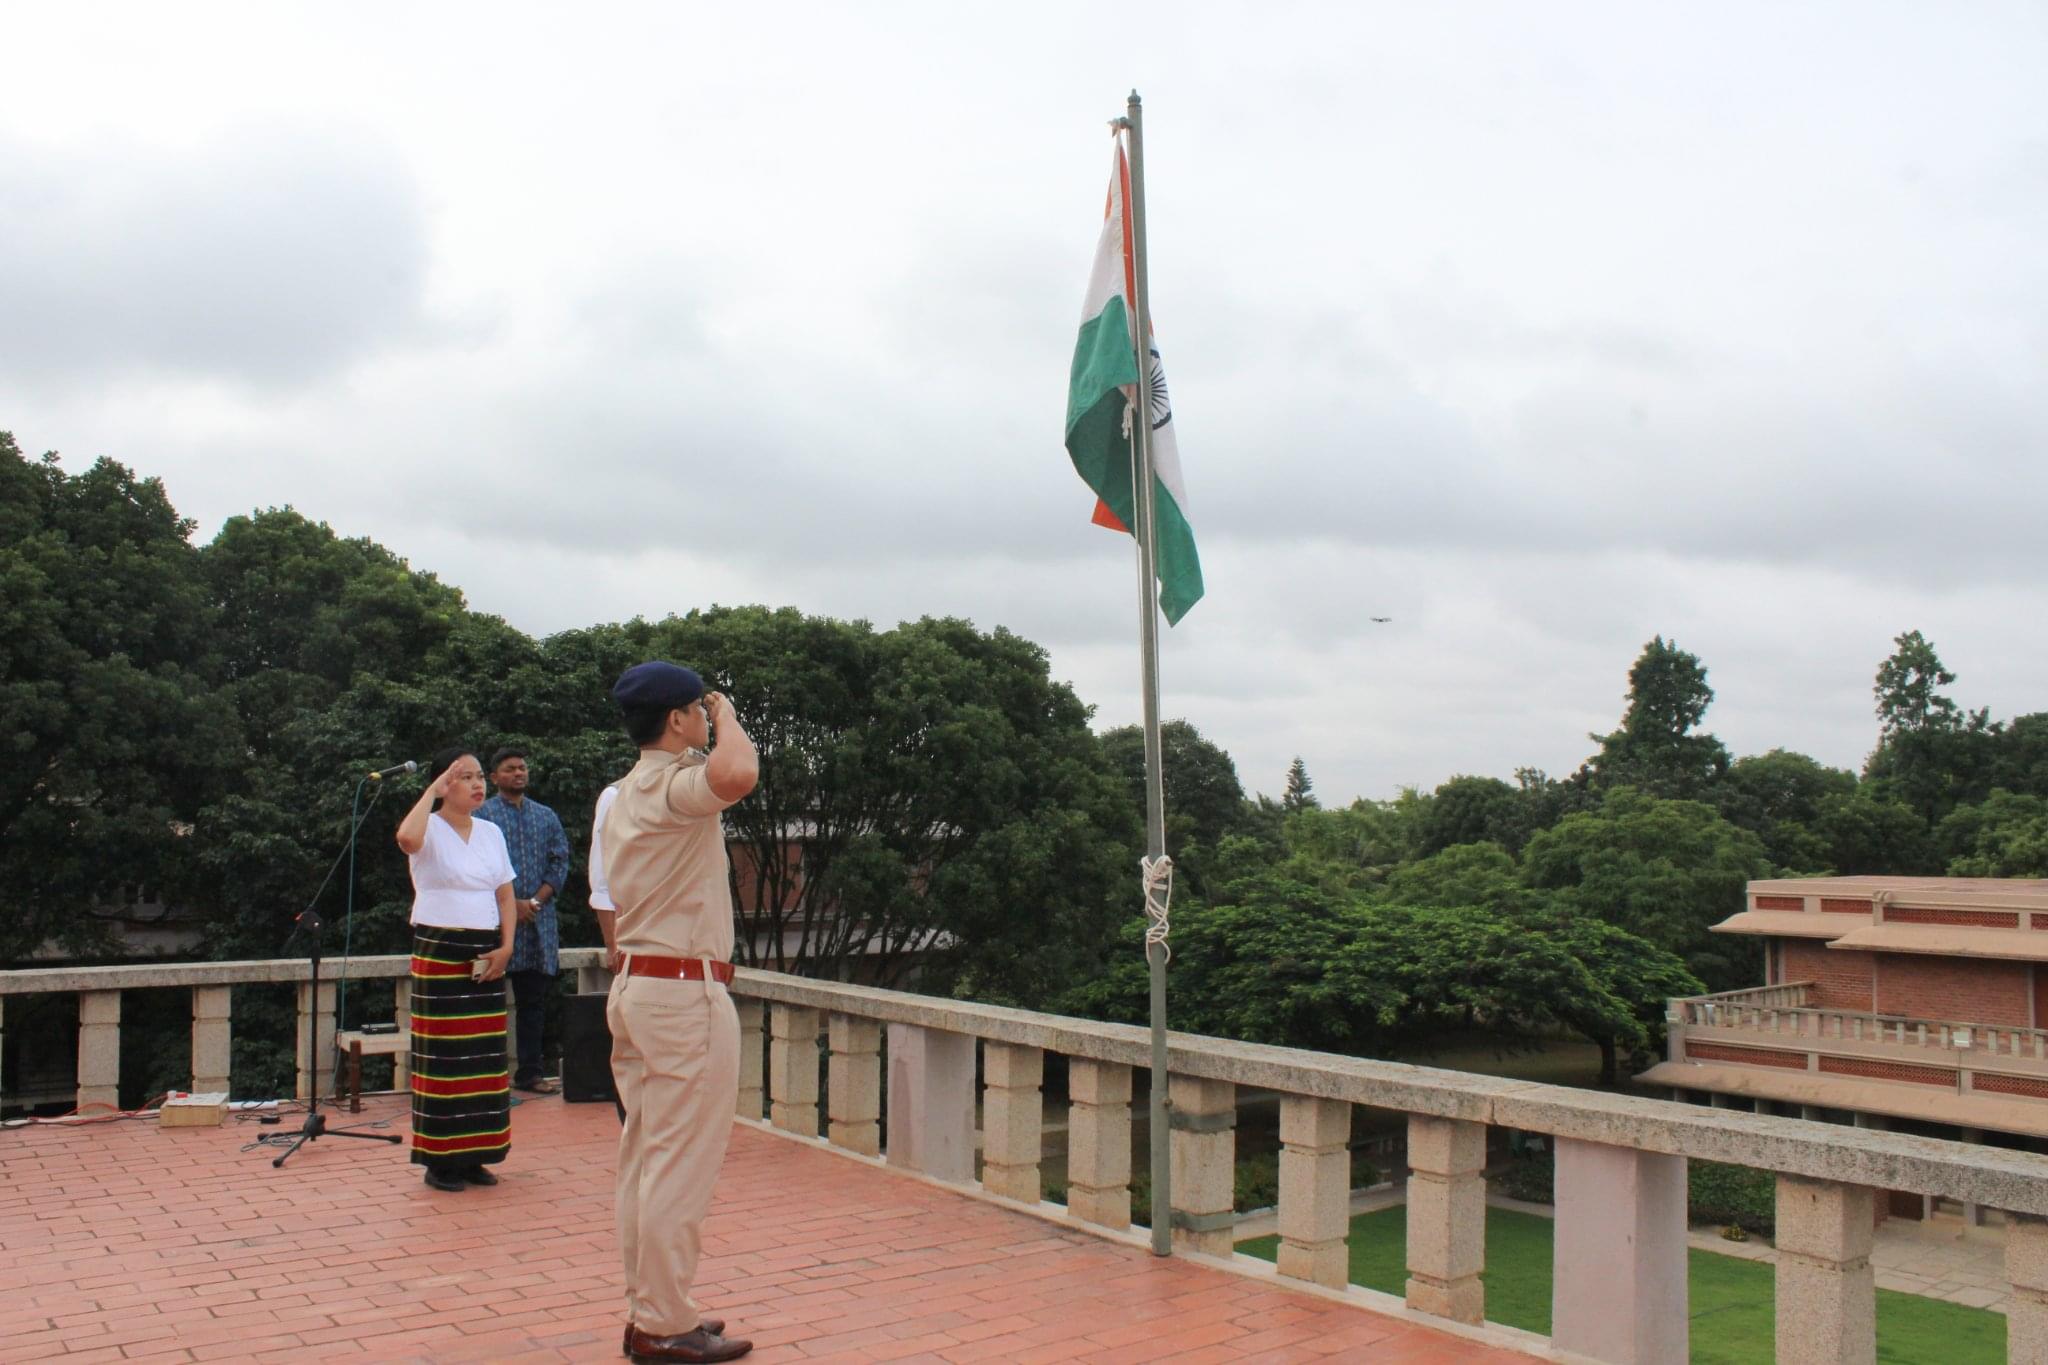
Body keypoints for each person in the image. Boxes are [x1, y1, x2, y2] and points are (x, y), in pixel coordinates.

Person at [605, 661, 758, 1364]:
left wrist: (712, 717)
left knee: (645, 1160)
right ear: (676, 719)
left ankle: (655, 1310)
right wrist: (729, 718)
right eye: (695, 708)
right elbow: (737, 775)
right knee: (677, 1165)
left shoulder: (621, 794)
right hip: (681, 993)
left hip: (639, 987)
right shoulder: (669, 788)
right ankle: (664, 1323)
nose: (705, 717)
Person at [394, 748, 516, 1193]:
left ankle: (476, 1155)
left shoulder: (490, 833)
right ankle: (439, 1160)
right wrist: (431, 791)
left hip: (484, 951)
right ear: (445, 784)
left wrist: (506, 947)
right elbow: (406, 838)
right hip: (440, 947)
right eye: (464, 777)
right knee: (443, 1058)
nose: (477, 784)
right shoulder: (429, 828)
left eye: (479, 776)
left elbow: (505, 895)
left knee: (483, 1057)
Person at [477, 746, 571, 1095]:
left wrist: (533, 901)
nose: (518, 773)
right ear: (494, 777)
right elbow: (476, 868)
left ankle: (530, 1073)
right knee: (487, 1003)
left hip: (538, 924)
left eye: (522, 768)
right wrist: (510, 904)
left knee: (533, 1004)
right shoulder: (482, 817)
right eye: (509, 768)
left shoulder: (546, 816)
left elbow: (560, 861)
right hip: (492, 925)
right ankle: (486, 1077)